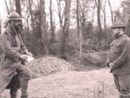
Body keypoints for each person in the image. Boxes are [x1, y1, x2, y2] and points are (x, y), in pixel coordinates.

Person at [0, 11, 33, 98]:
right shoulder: (5, 35)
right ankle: (24, 96)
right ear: (10, 22)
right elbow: (7, 50)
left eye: (19, 21)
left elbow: (22, 46)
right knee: (26, 72)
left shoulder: (17, 35)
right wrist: (20, 56)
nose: (18, 23)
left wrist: (26, 52)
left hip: (16, 62)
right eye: (16, 21)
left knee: (16, 83)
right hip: (8, 63)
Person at [107, 21, 130, 98]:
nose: (112, 30)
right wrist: (109, 62)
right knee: (120, 91)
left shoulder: (126, 40)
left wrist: (114, 64)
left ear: (120, 29)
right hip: (116, 71)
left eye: (114, 29)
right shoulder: (115, 40)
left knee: (125, 92)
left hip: (124, 72)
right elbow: (110, 53)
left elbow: (125, 56)